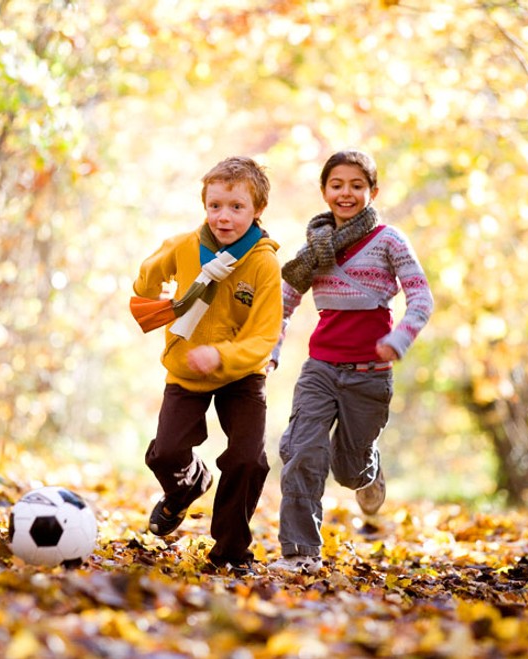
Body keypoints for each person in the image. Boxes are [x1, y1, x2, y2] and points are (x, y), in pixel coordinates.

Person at [267, 149, 433, 575]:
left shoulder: (389, 240)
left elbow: (420, 297)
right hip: (320, 368)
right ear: (324, 191)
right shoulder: (313, 250)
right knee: (302, 452)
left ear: (372, 192)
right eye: (337, 185)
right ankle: (300, 552)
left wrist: (399, 339)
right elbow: (283, 305)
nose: (346, 193)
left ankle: (369, 470)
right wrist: (272, 349)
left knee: (349, 469)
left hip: (369, 374)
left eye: (356, 185)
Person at [130, 156, 283, 575]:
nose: (224, 216)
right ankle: (186, 487)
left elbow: (264, 335)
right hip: (186, 368)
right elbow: (146, 283)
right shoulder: (184, 246)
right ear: (205, 206)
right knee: (166, 453)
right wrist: (153, 275)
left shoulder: (262, 263)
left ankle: (231, 552)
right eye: (215, 205)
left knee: (248, 461)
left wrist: (222, 355)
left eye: (236, 207)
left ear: (256, 211)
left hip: (241, 373)